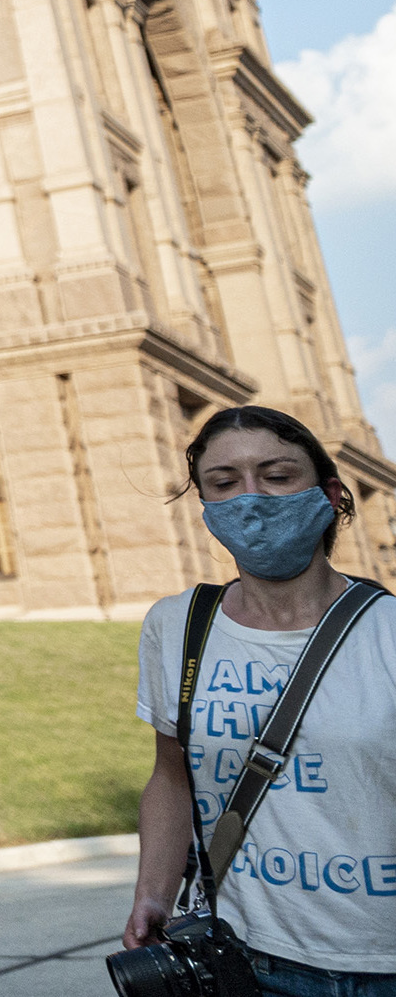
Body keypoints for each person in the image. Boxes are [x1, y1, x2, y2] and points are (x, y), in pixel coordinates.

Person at [124, 405, 395, 997]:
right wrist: (153, 893)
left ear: (328, 493)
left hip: (383, 959)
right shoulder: (178, 626)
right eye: (224, 483)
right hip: (245, 957)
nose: (251, 499)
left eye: (277, 476)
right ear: (205, 506)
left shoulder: (389, 632)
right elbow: (171, 778)